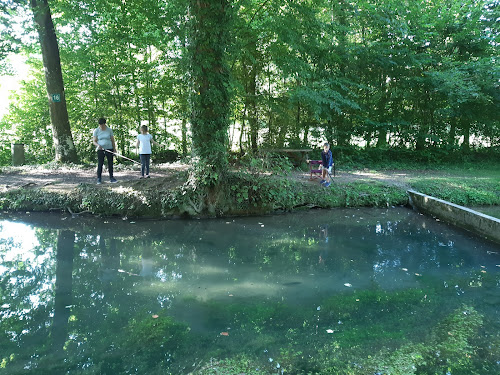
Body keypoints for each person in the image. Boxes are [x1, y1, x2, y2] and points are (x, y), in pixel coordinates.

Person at [92, 117, 117, 184]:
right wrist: (98, 145)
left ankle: (111, 178)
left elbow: (112, 140)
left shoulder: (109, 130)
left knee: (110, 163)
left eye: (102, 125)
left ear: (105, 124)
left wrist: (114, 149)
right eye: (100, 125)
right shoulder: (96, 131)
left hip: (109, 148)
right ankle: (99, 178)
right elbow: (94, 141)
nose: (101, 126)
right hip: (100, 149)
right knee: (100, 163)